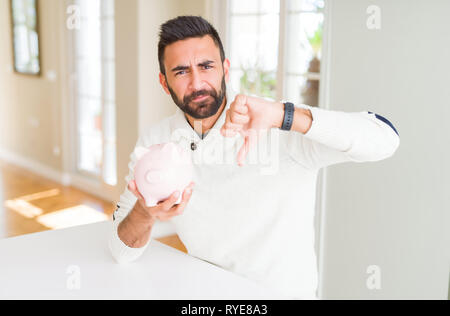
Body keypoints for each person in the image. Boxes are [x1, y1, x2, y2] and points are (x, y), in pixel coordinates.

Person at [109, 15, 400, 299]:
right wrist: (145, 212)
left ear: (225, 68)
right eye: (181, 71)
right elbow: (121, 251)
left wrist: (284, 115)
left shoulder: (277, 125)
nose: (197, 83)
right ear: (164, 82)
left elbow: (385, 139)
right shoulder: (155, 143)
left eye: (206, 66)